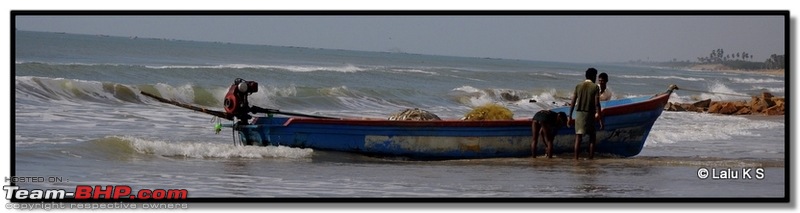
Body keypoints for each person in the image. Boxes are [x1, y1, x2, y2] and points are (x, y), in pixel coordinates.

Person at [567, 68, 604, 160]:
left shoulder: (578, 86)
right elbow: (597, 104)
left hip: (579, 114)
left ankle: (576, 159)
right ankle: (590, 158)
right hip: (589, 115)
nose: (596, 78)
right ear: (593, 76)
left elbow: (573, 101)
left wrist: (570, 115)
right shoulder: (595, 87)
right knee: (592, 137)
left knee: (578, 138)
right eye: (595, 76)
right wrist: (600, 118)